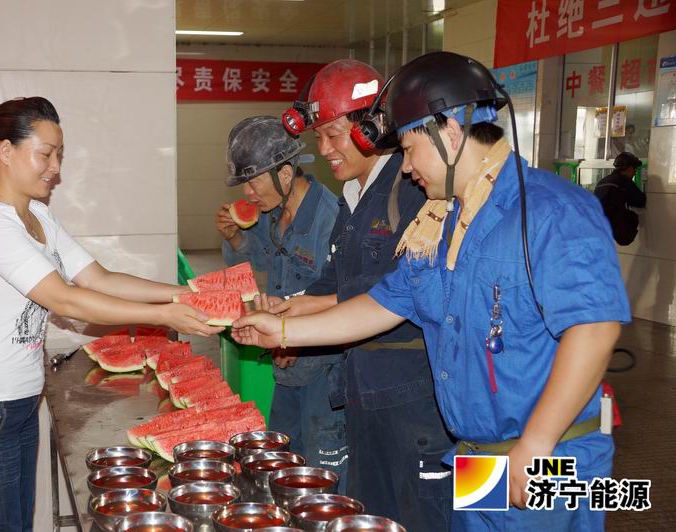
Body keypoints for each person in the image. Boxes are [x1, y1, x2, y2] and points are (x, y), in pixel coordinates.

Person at [235, 52, 630, 531]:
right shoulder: (439, 225)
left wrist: (538, 442)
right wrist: (280, 330)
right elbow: (380, 304)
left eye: (409, 148)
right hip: (476, 455)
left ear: (450, 134)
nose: (405, 168)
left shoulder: (552, 211)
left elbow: (594, 329)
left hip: (550, 458)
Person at [0, 96, 222, 531]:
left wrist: (182, 294)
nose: (55, 168)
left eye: (59, 155)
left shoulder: (38, 216)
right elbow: (66, 299)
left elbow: (98, 278)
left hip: (19, 402)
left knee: (16, 525)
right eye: (46, 154)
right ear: (6, 152)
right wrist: (165, 316)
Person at [277, 59, 453, 531]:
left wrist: (294, 326)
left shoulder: (413, 189)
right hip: (364, 391)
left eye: (333, 135)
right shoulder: (354, 195)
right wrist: (289, 311)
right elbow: (336, 279)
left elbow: (391, 292)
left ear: (371, 128)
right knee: (372, 513)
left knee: (423, 517)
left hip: (413, 399)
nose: (324, 150)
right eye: (318, 137)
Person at [215, 116, 346, 485]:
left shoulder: (331, 219)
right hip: (285, 369)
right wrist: (236, 238)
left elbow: (343, 300)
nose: (248, 194)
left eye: (253, 182)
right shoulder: (271, 214)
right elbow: (258, 266)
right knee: (281, 472)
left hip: (324, 376)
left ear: (285, 174)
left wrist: (296, 339)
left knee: (323, 482)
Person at [595, 151, 646, 246]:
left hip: (597, 222)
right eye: (635, 169)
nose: (635, 172)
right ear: (630, 168)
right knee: (632, 217)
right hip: (614, 223)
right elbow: (640, 201)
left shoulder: (603, 181)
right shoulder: (624, 181)